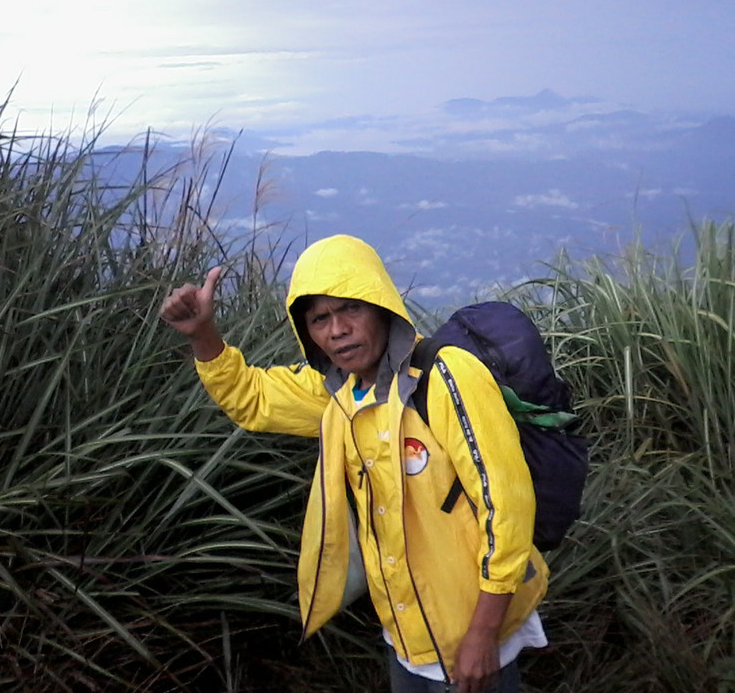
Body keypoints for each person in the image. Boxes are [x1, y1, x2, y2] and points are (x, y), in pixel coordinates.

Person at [159, 235, 548, 693]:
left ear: (381, 306)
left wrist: (482, 634)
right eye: (319, 318)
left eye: (351, 309)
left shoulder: (446, 377)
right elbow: (254, 400)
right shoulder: (337, 393)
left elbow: (506, 505)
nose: (337, 329)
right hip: (404, 638)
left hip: (474, 639)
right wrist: (205, 336)